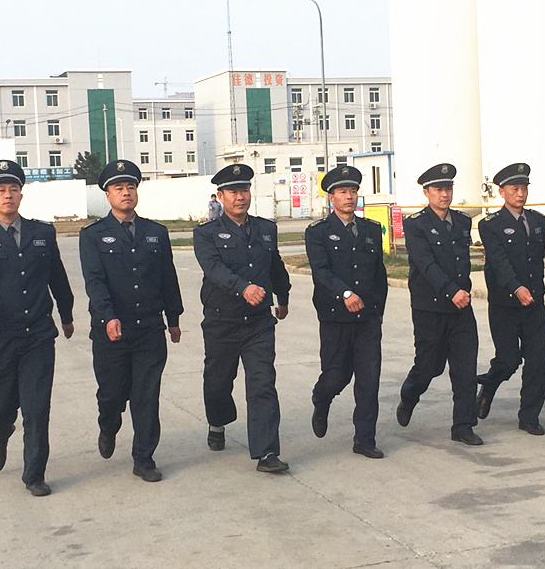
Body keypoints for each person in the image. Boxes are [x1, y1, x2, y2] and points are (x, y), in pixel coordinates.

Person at [0, 159, 74, 497]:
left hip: (38, 335)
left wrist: (66, 314)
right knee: (0, 408)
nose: (8, 194)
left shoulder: (43, 234)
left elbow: (57, 277)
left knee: (37, 409)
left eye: (13, 189)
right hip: (0, 338)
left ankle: (34, 475)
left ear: (21, 195)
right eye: (1, 190)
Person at [79, 159, 184, 483]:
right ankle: (108, 425)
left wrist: (173, 318)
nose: (126, 192)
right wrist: (108, 316)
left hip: (149, 329)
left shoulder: (156, 233)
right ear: (107, 195)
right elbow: (94, 281)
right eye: (118, 188)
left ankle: (144, 458)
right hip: (110, 332)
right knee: (111, 394)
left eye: (131, 186)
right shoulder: (93, 235)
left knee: (146, 396)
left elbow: (167, 277)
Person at [193, 163, 292, 473]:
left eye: (244, 190)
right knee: (218, 383)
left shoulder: (266, 229)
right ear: (221, 196)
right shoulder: (205, 234)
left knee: (262, 384)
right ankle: (217, 421)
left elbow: (275, 266)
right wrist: (243, 287)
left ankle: (267, 452)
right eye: (233, 192)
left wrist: (283, 297)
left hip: (258, 322)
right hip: (221, 321)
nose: (240, 197)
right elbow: (214, 269)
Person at [395, 163, 482, 446]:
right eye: (438, 189)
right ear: (426, 192)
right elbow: (426, 264)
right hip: (430, 307)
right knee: (429, 367)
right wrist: (450, 290)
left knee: (465, 369)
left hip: (461, 308)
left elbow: (462, 261)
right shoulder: (416, 224)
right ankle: (409, 395)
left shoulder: (462, 221)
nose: (444, 194)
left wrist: (461, 292)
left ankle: (463, 426)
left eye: (448, 188)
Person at [305, 166, 388, 458]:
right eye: (343, 192)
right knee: (336, 375)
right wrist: (345, 293)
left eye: (353, 191)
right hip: (335, 317)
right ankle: (321, 399)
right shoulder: (318, 232)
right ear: (332, 198)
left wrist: (379, 308)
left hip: (367, 318)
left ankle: (365, 439)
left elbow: (378, 272)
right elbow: (321, 271)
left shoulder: (371, 229)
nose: (349, 197)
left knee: (369, 379)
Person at [476, 163, 545, 436]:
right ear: (502, 192)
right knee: (508, 360)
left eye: (524, 188)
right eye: (515, 189)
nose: (520, 194)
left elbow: (537, 260)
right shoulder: (490, 225)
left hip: (534, 304)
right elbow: (499, 262)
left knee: (537, 362)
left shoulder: (537, 221)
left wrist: (534, 290)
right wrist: (517, 288)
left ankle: (529, 416)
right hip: (505, 304)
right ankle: (489, 384)